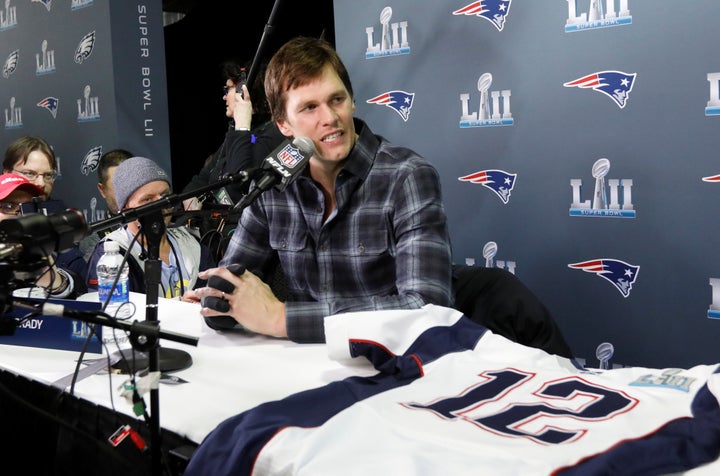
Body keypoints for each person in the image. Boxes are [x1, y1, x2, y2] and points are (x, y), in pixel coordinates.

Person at [183, 36, 454, 342]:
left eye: (337, 99)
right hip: (305, 367)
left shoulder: (406, 177)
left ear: (352, 101)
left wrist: (280, 318)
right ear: (283, 125)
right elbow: (226, 289)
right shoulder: (273, 182)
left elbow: (428, 311)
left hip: (389, 368)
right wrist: (218, 301)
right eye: (310, 107)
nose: (330, 118)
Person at [86, 156, 216, 299]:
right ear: (125, 208)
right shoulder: (111, 255)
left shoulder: (192, 245)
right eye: (147, 199)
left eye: (164, 195)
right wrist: (179, 305)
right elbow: (114, 312)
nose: (160, 205)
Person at [181, 59, 285, 212]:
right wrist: (188, 197)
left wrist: (242, 125)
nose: (224, 97)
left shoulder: (272, 133)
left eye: (227, 89)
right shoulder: (239, 132)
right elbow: (204, 176)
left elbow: (238, 178)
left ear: (243, 92)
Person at [3, 136, 87, 280]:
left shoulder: (63, 221)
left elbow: (79, 280)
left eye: (48, 175)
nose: (41, 183)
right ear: (7, 173)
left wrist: (59, 283)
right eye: (30, 173)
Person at [0, 173, 86, 298]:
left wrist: (56, 284)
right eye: (8, 206)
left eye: (27, 208)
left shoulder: (49, 248)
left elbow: (81, 294)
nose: (21, 215)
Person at [78, 148, 132, 261]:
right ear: (103, 190)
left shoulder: (159, 225)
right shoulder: (94, 237)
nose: (127, 193)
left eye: (132, 184)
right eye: (119, 187)